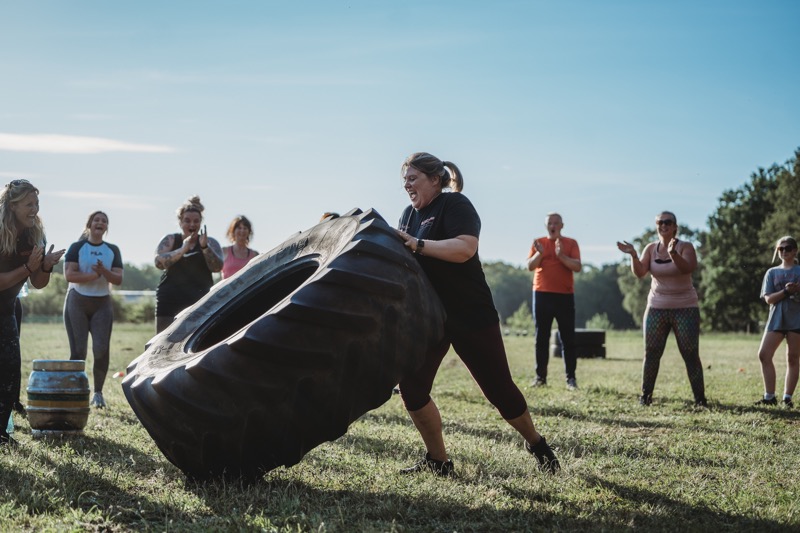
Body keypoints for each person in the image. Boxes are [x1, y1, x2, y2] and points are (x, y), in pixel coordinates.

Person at [395, 152, 559, 476]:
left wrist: (417, 244)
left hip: (471, 313)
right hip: (431, 318)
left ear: (435, 179)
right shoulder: (408, 215)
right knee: (412, 388)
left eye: (412, 178)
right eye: (404, 180)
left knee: (499, 391)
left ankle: (537, 443)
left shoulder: (455, 205)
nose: (406, 185)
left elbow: (464, 248)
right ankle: (438, 461)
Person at [616, 211, 707, 407]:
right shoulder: (650, 248)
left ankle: (700, 399)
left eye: (668, 222)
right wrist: (633, 255)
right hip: (657, 307)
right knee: (651, 352)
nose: (663, 225)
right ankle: (646, 396)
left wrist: (674, 253)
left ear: (675, 226)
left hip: (685, 308)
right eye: (659, 222)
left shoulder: (686, 247)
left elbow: (688, 268)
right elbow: (640, 272)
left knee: (690, 353)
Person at [0, 179, 65, 446]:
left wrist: (45, 266)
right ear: (12, 206)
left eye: (37, 204)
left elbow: (38, 283)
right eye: (29, 204)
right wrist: (28, 268)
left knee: (10, 371)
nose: (34, 210)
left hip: (6, 309)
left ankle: (1, 434)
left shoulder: (35, 234)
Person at [63, 211, 124, 409]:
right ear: (89, 224)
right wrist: (93, 276)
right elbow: (69, 275)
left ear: (107, 227)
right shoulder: (77, 247)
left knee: (101, 349)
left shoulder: (112, 250)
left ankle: (98, 393)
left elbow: (118, 279)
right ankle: (75, 392)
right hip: (77, 302)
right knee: (78, 351)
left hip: (102, 304)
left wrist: (104, 272)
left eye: (104, 221)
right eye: (96, 220)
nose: (100, 223)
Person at [527, 213, 582, 390]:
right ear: (546, 226)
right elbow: (530, 266)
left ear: (562, 225)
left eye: (556, 223)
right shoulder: (539, 242)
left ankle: (571, 379)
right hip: (542, 294)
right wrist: (540, 254)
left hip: (564, 295)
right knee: (541, 338)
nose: (553, 225)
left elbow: (578, 267)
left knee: (568, 338)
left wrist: (561, 256)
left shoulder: (571, 243)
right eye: (550, 223)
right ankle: (540, 378)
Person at [154, 196, 223, 333]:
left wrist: (204, 248)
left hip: (199, 302)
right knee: (161, 344)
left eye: (196, 221)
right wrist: (182, 250)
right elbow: (158, 262)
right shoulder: (171, 239)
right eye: (187, 221)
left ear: (201, 222)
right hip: (169, 302)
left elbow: (217, 267)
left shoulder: (210, 242)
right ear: (180, 222)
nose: (192, 225)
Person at [754, 236, 800, 408]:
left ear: (795, 250)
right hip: (776, 319)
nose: (784, 251)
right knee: (764, 354)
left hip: (797, 319)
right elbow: (769, 299)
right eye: (781, 249)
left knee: (793, 358)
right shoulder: (771, 273)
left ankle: (787, 398)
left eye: (788, 248)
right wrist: (786, 292)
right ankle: (769, 397)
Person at [221, 215, 258, 279]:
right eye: (239, 228)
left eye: (245, 228)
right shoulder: (223, 251)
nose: (242, 231)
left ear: (249, 231)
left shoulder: (254, 255)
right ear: (233, 231)